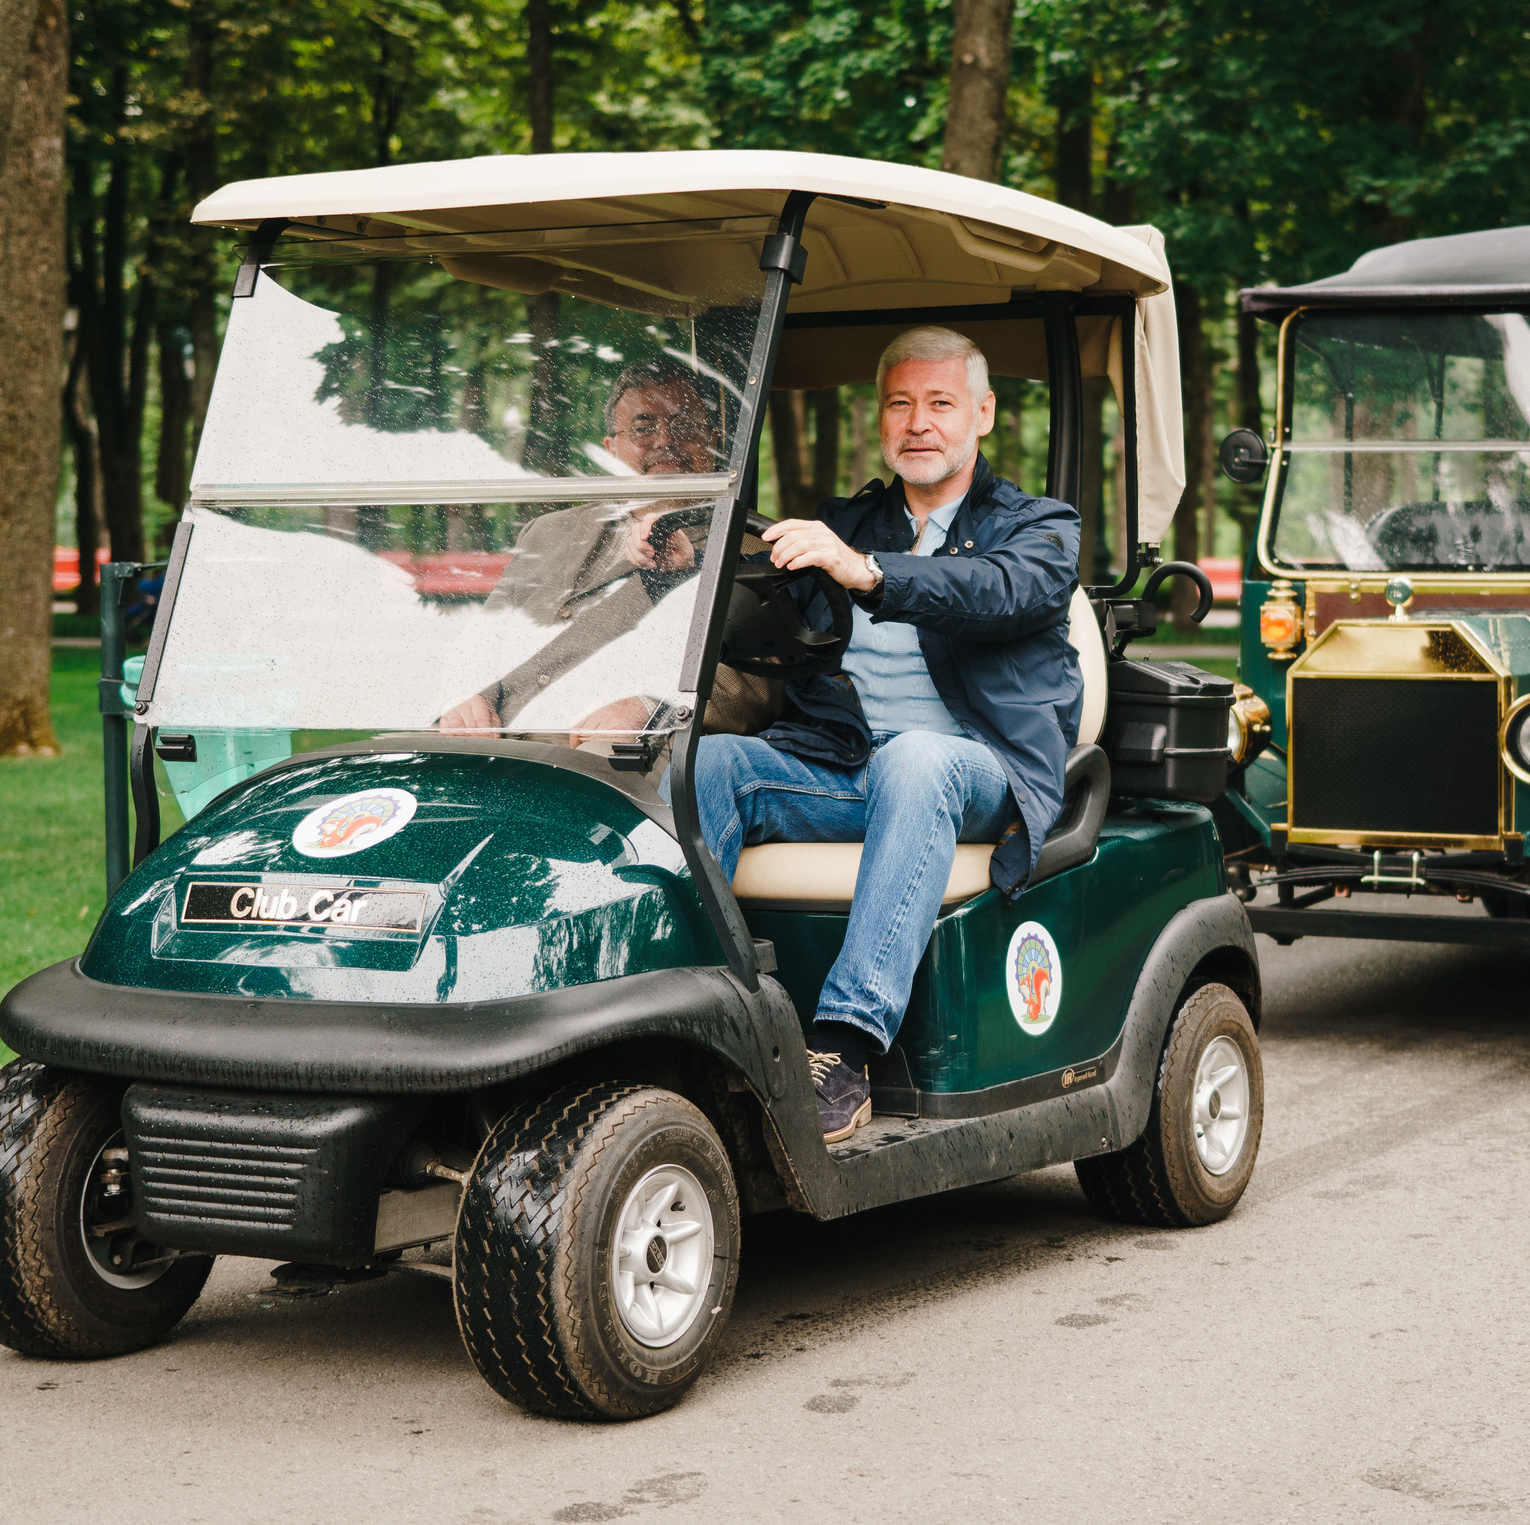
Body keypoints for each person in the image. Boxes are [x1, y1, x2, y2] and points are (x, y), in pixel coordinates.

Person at [697, 325, 1082, 1141]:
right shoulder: (848, 520)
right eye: (900, 404)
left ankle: (843, 1045)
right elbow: (763, 629)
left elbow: (998, 590)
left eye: (940, 403)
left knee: (914, 760)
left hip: (978, 774)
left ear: (982, 413)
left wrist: (867, 572)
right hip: (845, 769)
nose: (918, 422)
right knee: (718, 762)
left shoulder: (1039, 526)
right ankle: (685, 1008)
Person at [437, 357, 772, 741]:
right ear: (612, 448)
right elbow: (483, 636)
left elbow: (756, 681)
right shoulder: (547, 532)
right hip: (492, 746)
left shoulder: (755, 547)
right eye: (644, 427)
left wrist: (652, 711)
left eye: (685, 425)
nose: (665, 441)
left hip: (620, 761)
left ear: (711, 441)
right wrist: (464, 696)